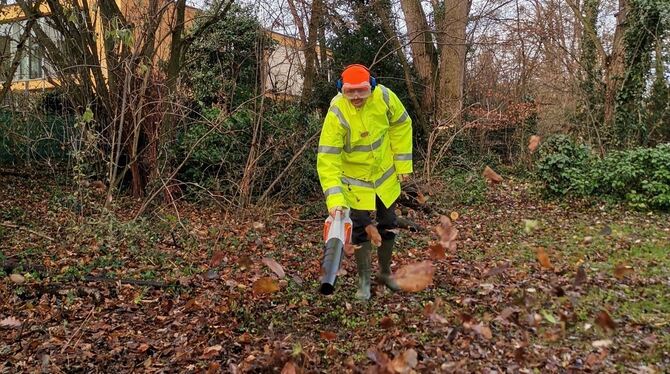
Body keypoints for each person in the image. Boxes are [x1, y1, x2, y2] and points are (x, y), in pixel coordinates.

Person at [316, 64, 413, 300]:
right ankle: (363, 282)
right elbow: (328, 157)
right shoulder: (337, 112)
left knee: (388, 223)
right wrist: (335, 198)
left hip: (385, 177)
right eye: (351, 92)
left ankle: (385, 273)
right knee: (360, 231)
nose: (357, 97)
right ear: (342, 90)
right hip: (354, 183)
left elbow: (402, 124)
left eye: (361, 90)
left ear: (371, 86)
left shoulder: (385, 97)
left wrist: (402, 165)